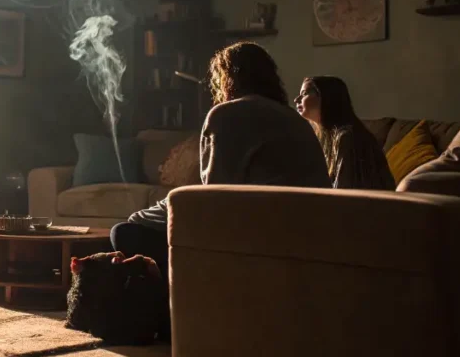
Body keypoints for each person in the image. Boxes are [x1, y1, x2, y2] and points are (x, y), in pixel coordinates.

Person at [111, 42, 331, 277]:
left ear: (227, 78)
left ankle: (171, 304)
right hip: (308, 236)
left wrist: (149, 215)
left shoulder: (227, 114)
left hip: (252, 236)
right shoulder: (295, 119)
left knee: (125, 232)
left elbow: (215, 196)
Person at [294, 76, 396, 190]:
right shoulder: (325, 137)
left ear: (326, 97)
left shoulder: (347, 137)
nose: (296, 99)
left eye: (304, 94)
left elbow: (342, 191)